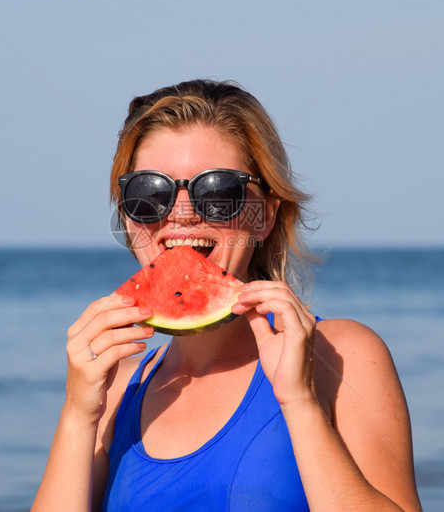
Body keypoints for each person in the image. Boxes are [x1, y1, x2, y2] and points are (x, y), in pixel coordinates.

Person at [30, 79, 422, 511]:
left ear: (265, 217)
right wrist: (76, 415)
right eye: (149, 193)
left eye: (217, 191)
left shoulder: (341, 356)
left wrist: (299, 401)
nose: (181, 213)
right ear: (128, 217)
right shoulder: (115, 389)